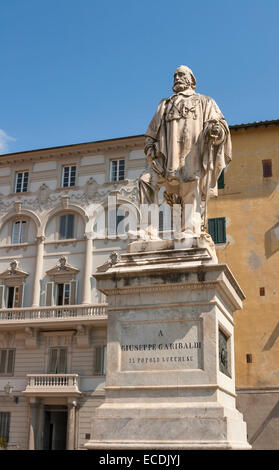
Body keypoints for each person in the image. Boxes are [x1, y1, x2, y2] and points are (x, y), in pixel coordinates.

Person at [139, 65, 232, 239]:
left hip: (192, 153)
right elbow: (150, 133)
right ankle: (147, 229)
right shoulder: (165, 104)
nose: (177, 77)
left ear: (191, 80)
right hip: (165, 158)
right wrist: (150, 149)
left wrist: (216, 130)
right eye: (175, 75)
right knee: (146, 181)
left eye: (181, 74)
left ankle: (190, 228)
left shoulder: (205, 101)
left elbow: (220, 124)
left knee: (190, 185)